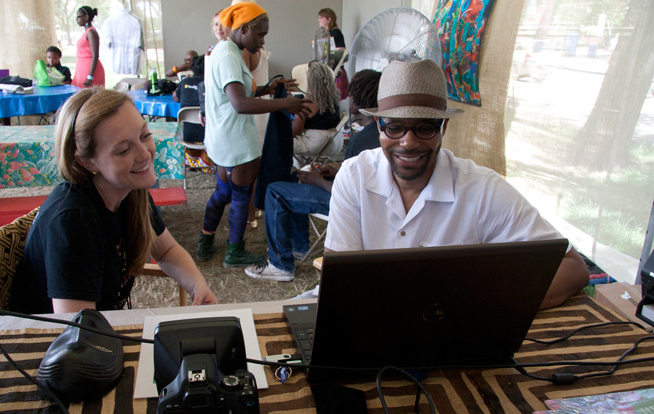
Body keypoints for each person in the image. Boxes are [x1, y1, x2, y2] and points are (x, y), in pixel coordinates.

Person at [324, 59, 589, 309]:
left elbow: (572, 267)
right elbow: (339, 282)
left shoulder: (481, 189)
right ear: (378, 125)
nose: (408, 142)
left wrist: (480, 308)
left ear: (443, 126)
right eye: (394, 127)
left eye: (425, 128)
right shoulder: (354, 176)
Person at [10, 88, 217, 314]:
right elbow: (75, 332)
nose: (145, 154)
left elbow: (166, 251)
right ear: (87, 163)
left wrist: (198, 286)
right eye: (123, 150)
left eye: (144, 135)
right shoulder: (74, 222)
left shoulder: (131, 192)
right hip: (54, 341)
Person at [197, 2, 310, 268]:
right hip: (237, 141)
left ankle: (206, 242)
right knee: (240, 197)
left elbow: (236, 95)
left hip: (222, 138)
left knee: (222, 193)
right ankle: (234, 252)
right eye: (260, 35)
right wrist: (285, 104)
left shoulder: (224, 51)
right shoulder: (229, 56)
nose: (262, 41)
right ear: (244, 28)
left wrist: (269, 89)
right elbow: (240, 104)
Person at [245, 69, 382, 281]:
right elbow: (363, 179)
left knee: (275, 190)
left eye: (352, 91)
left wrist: (317, 179)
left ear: (362, 97)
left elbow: (350, 196)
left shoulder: (360, 141)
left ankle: (280, 265)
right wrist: (337, 171)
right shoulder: (379, 133)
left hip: (349, 205)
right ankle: (299, 246)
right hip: (365, 202)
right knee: (294, 178)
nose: (348, 96)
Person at [292, 60, 342, 166]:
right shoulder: (334, 99)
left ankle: (296, 173)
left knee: (278, 141)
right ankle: (304, 170)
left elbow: (295, 132)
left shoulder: (307, 103)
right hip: (335, 142)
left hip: (317, 145)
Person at [173, 54, 205, 143]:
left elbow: (175, 98)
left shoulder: (185, 82)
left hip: (186, 136)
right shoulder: (209, 84)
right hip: (207, 136)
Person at [317, 8, 348, 100]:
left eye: (321, 18)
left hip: (335, 72)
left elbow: (341, 53)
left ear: (329, 19)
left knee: (333, 101)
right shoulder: (329, 33)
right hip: (331, 71)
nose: (318, 20)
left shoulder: (335, 32)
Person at [72, 6, 106, 88]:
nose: (77, 19)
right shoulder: (87, 32)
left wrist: (90, 76)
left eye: (78, 16)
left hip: (90, 70)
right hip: (82, 67)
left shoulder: (91, 32)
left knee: (88, 96)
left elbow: (95, 55)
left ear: (86, 17)